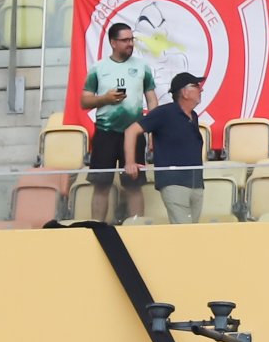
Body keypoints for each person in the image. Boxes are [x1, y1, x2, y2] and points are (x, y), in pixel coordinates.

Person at [82, 20, 159, 224]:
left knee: (134, 184)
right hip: (105, 133)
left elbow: (151, 99)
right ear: (113, 42)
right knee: (101, 184)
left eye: (131, 39)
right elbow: (84, 101)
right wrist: (104, 99)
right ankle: (97, 227)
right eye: (125, 40)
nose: (130, 44)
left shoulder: (143, 67)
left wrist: (155, 131)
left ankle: (137, 226)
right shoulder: (98, 68)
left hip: (134, 133)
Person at [125, 71, 206, 224]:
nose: (201, 89)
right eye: (196, 86)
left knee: (193, 231)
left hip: (196, 183)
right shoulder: (165, 112)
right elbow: (131, 130)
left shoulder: (193, 116)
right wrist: (130, 162)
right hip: (174, 182)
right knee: (183, 231)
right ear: (185, 92)